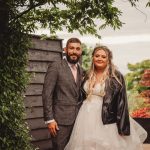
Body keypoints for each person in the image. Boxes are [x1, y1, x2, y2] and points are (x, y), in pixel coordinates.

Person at [65, 45, 147, 150]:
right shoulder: (86, 74)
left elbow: (122, 102)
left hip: (108, 118)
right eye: (97, 56)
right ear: (93, 57)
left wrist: (123, 127)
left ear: (108, 59)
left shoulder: (116, 76)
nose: (99, 58)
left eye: (103, 57)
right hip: (85, 117)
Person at [42, 38, 83, 150]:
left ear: (81, 51)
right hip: (59, 121)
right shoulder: (56, 66)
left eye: (77, 49)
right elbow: (47, 93)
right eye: (71, 48)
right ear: (65, 49)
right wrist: (49, 119)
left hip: (78, 120)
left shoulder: (81, 69)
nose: (74, 51)